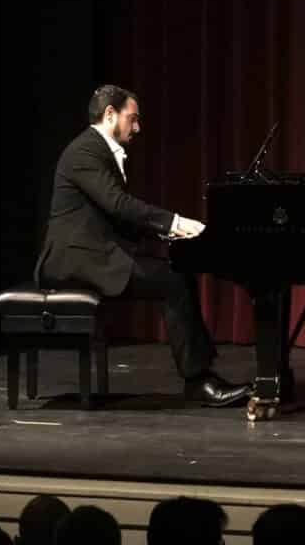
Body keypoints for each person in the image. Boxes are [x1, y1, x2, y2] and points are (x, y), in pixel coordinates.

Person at [37, 83, 243, 407]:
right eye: (132, 119)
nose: (137, 127)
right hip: (72, 261)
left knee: (176, 273)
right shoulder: (85, 151)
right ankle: (198, 381)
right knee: (173, 280)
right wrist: (173, 222)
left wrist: (168, 234)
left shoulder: (97, 150)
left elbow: (117, 217)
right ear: (109, 115)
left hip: (94, 253)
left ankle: (201, 375)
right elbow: (119, 205)